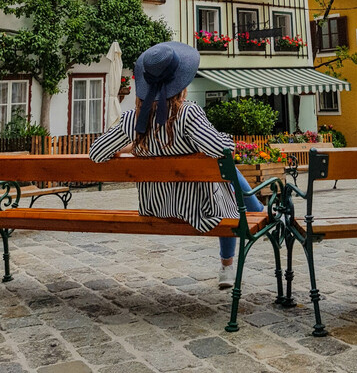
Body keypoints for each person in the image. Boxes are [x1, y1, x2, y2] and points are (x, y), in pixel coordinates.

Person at [89, 41, 263, 289]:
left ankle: (256, 213)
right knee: (224, 175)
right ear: (181, 83)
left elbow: (96, 153)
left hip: (158, 207)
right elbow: (220, 150)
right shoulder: (187, 113)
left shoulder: (133, 119)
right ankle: (234, 254)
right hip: (199, 209)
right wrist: (225, 139)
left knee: (222, 176)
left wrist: (134, 146)